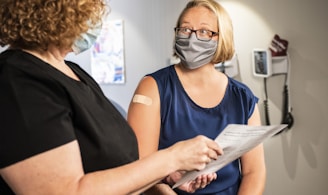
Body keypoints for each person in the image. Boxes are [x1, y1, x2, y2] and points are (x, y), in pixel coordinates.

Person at [0, 0, 224, 194]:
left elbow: (112, 169)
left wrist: (166, 175)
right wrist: (171, 157)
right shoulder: (17, 81)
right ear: (62, 10)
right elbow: (65, 190)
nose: (97, 14)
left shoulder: (74, 72)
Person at [127, 0, 266, 194]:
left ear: (221, 37)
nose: (192, 38)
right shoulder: (152, 87)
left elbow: (254, 172)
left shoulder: (243, 98)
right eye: (185, 29)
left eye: (204, 31)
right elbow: (139, 171)